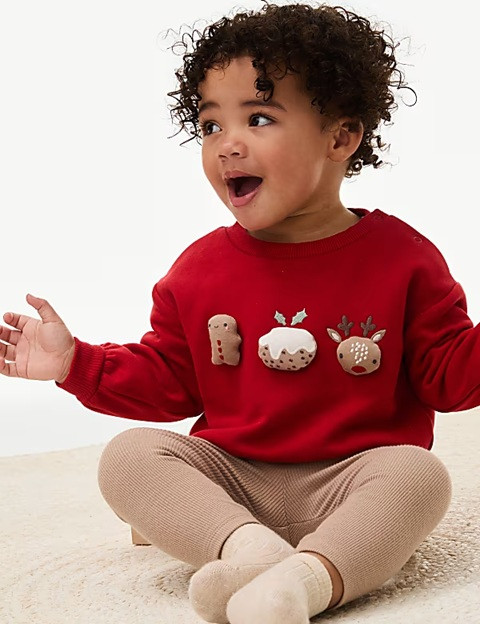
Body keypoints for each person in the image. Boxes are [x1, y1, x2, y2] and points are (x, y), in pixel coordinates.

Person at [3, 1, 472, 622]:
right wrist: (75, 364)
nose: (227, 145)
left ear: (339, 138)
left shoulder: (404, 258)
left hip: (355, 480)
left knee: (419, 476)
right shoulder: (200, 269)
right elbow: (170, 382)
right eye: (209, 125)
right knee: (128, 456)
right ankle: (250, 552)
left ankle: (300, 585)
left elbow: (449, 375)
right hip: (234, 481)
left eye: (259, 118)